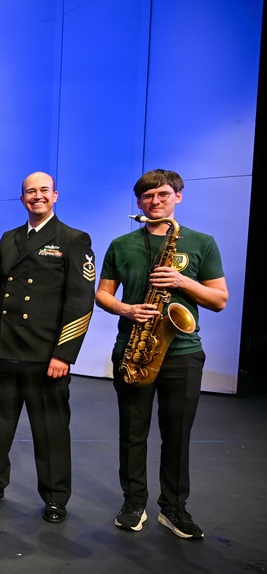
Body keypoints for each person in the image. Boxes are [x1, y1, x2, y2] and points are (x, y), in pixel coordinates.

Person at [95, 169, 228, 539]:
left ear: (178, 197)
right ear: (138, 202)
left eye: (164, 195)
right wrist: (128, 309)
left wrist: (183, 281)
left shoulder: (202, 242)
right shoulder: (122, 244)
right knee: (132, 433)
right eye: (148, 197)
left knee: (177, 435)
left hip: (182, 352)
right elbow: (103, 294)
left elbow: (220, 299)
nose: (156, 202)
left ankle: (173, 509)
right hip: (134, 350)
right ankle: (133, 503)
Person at [0, 172, 95, 523]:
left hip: (45, 355)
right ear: (22, 198)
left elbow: (80, 302)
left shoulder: (73, 239)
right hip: (4, 350)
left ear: (55, 195)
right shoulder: (9, 239)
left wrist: (64, 354)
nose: (36, 196)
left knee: (50, 430)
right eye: (30, 192)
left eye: (43, 191)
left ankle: (55, 497)